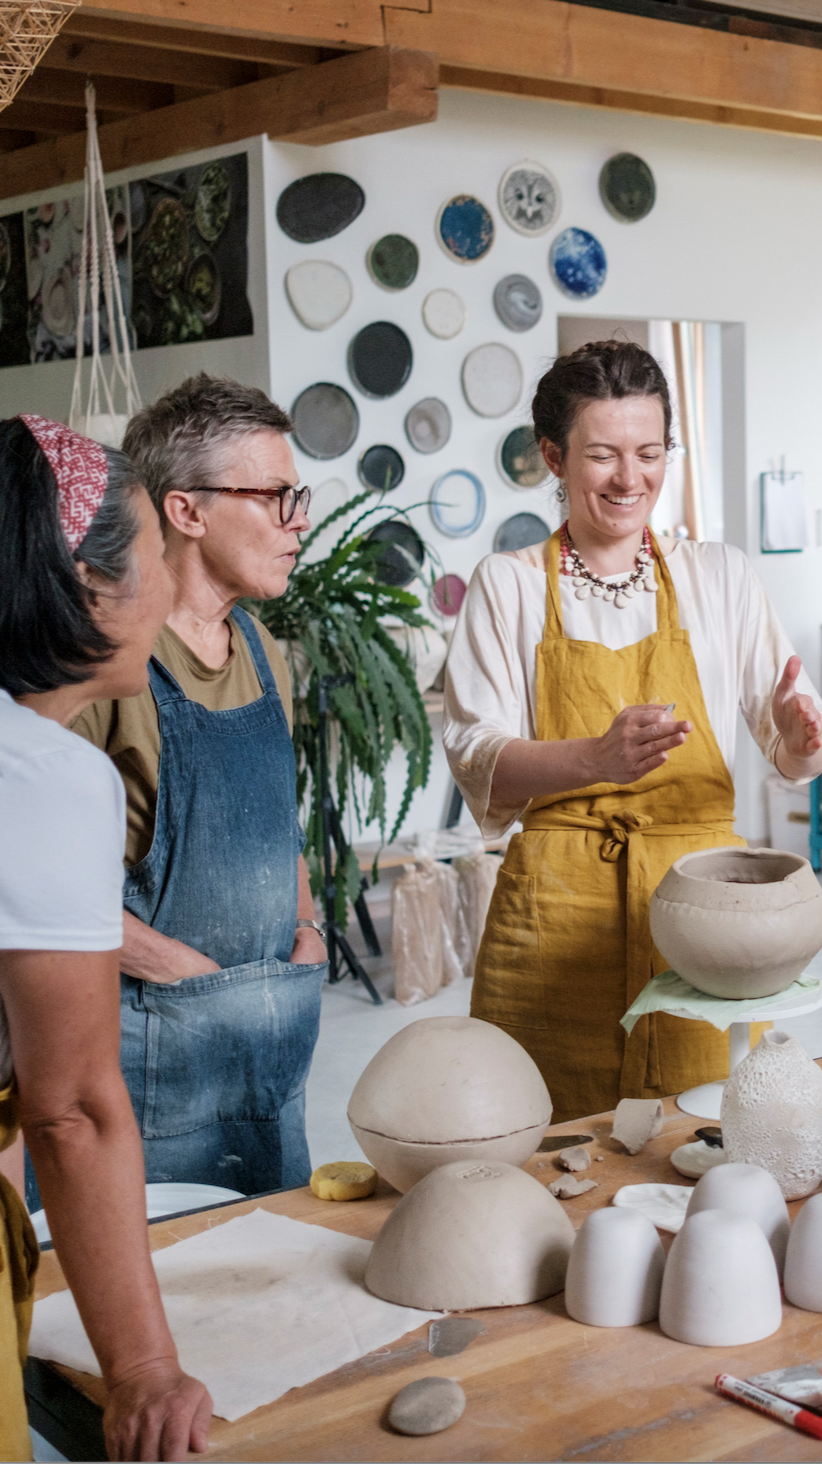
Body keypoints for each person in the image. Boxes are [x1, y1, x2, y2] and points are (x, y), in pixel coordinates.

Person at [444, 341, 822, 1120]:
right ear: (554, 456)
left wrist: (801, 739)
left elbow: (788, 748)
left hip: (696, 915)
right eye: (603, 455)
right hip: (554, 911)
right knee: (541, 1138)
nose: (631, 479)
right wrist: (593, 758)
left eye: (650, 453)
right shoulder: (509, 585)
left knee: (688, 1129)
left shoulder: (718, 576)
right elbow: (475, 756)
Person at [0, 416, 212, 1460]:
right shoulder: (41, 774)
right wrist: (142, 1371)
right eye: (156, 557)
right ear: (86, 588)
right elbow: (71, 1106)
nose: (173, 587)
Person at [70, 375, 326, 1198]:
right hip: (151, 1072)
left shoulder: (264, 652)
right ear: (187, 511)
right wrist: (180, 970)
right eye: (275, 498)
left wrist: (308, 922)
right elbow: (29, 885)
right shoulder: (108, 668)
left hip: (264, 1063)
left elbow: (278, 822)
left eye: (299, 498)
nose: (299, 522)